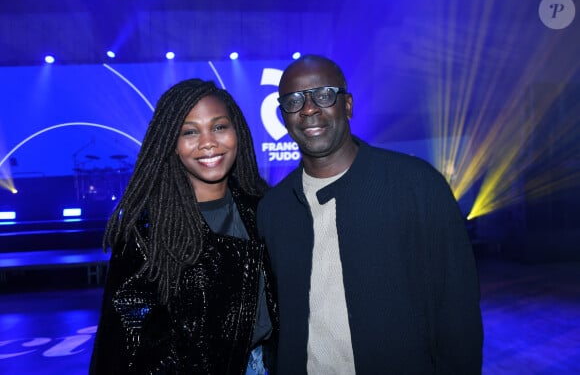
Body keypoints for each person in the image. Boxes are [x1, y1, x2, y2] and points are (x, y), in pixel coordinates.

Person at [257, 55, 483, 374]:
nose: (308, 108)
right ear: (283, 118)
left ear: (347, 105)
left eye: (323, 95)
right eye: (294, 101)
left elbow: (458, 312)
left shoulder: (417, 186)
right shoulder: (274, 209)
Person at [90, 79, 277, 374]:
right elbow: (122, 342)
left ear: (237, 132)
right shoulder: (147, 230)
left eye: (219, 127)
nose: (208, 142)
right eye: (190, 131)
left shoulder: (263, 209)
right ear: (171, 144)